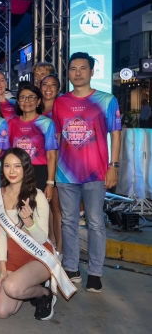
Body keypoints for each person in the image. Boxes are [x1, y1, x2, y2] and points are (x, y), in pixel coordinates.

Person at [52, 52, 122, 292]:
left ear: (92, 72)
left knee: (95, 222)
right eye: (73, 69)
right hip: (66, 174)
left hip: (96, 173)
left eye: (83, 68)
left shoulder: (106, 100)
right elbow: (58, 137)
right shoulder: (60, 102)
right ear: (68, 73)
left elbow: (116, 135)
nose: (78, 73)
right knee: (69, 222)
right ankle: (71, 268)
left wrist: (114, 166)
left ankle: (95, 273)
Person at [0, 148, 76, 321]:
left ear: (26, 168)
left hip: (38, 257)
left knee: (12, 287)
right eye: (7, 166)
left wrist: (29, 222)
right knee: (2, 311)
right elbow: (0, 236)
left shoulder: (37, 195)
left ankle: (44, 293)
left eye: (17, 166)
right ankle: (24, 286)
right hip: (14, 259)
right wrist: (2, 269)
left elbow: (42, 238)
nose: (12, 171)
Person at [8, 84, 61, 256]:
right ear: (18, 101)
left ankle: (49, 251)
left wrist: (50, 183)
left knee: (41, 213)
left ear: (38, 101)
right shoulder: (11, 123)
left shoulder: (46, 123)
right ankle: (23, 251)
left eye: (31, 97)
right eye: (23, 97)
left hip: (39, 172)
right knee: (20, 212)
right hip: (17, 173)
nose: (27, 101)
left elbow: (51, 155)